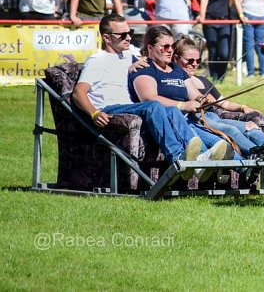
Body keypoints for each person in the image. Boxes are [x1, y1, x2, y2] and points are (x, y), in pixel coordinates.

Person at [71, 14, 225, 184]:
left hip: (131, 108)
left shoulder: (130, 57)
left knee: (173, 110)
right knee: (152, 105)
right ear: (106, 38)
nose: (128, 37)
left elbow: (149, 58)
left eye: (129, 32)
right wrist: (94, 113)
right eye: (122, 35)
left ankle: (201, 160)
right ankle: (176, 158)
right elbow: (78, 93)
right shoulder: (96, 61)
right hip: (109, 108)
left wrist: (136, 63)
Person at [172, 36, 264, 165]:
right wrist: (202, 100)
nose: (194, 64)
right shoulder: (175, 81)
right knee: (231, 130)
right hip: (199, 119)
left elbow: (224, 103)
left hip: (214, 117)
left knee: (251, 126)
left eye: (198, 60)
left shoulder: (203, 80)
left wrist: (242, 107)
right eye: (190, 61)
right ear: (176, 58)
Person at [129, 26, 234, 181]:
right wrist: (183, 105)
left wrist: (201, 100)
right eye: (165, 46)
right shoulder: (144, 68)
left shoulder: (176, 69)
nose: (170, 50)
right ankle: (203, 166)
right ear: (150, 48)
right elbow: (148, 98)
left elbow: (195, 95)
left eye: (172, 46)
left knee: (223, 139)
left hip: (188, 119)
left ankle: (245, 167)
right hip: (164, 120)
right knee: (223, 131)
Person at [197, 0, 241, 81]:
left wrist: (241, 15)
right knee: (213, 50)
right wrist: (202, 15)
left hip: (225, 21)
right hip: (210, 20)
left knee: (224, 52)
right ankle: (214, 76)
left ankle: (221, 75)